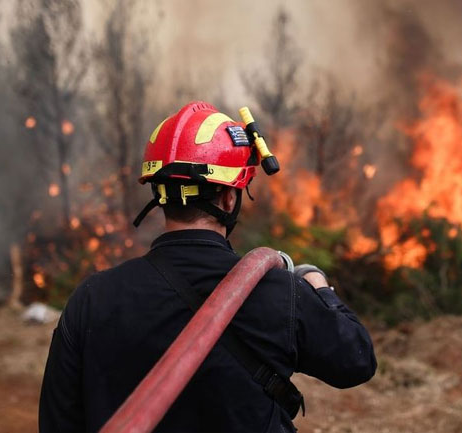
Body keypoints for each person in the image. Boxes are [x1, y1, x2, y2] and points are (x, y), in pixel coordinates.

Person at [38, 101, 377, 432]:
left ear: (160, 194)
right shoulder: (281, 293)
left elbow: (58, 421)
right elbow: (356, 361)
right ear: (229, 198)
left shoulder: (93, 298)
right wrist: (318, 285)